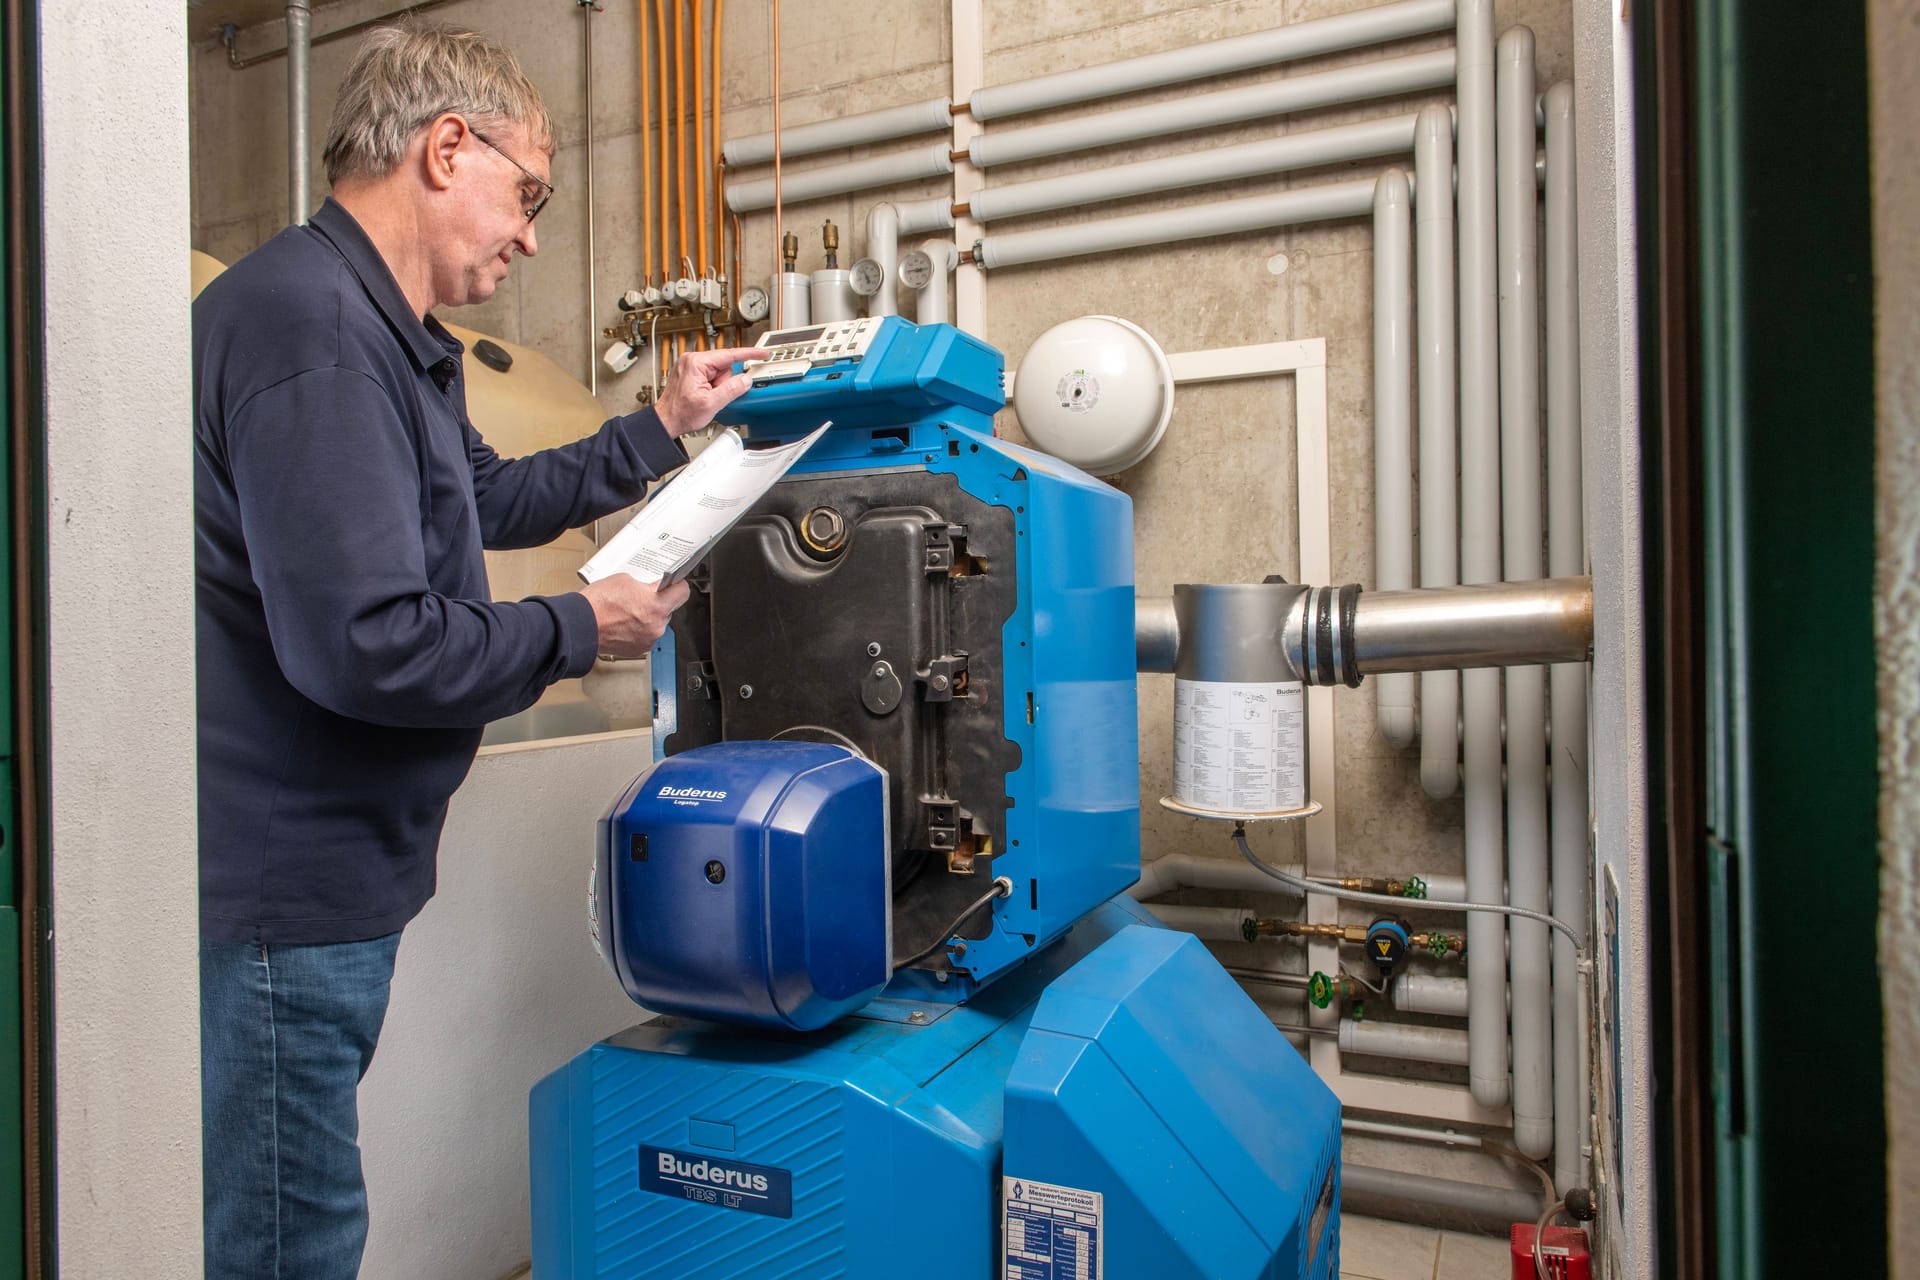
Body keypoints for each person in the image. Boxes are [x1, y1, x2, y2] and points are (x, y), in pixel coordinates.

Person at [192, 21, 763, 1278]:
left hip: (337, 875)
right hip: (289, 891)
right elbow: (365, 646)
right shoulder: (311, 329)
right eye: (529, 192)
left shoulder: (377, 331)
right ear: (447, 148)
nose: (532, 235)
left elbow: (485, 498)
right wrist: (583, 625)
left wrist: (664, 426)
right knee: (289, 1239)